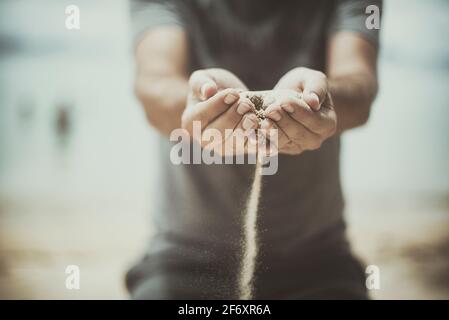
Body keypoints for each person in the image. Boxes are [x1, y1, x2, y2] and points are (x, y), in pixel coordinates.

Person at [126, 0, 381, 299]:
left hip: (318, 258)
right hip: (183, 257)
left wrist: (321, 99)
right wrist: (198, 103)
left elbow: (360, 87)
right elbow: (154, 85)